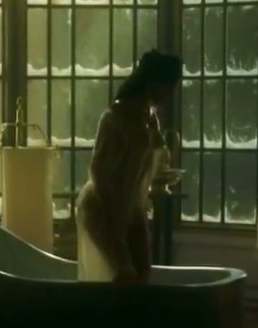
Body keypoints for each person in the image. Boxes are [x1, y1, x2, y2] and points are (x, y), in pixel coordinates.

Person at [75, 49, 182, 283]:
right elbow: (99, 171)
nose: (169, 93)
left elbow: (150, 159)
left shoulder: (148, 116)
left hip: (131, 208)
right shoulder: (115, 118)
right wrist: (115, 215)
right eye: (168, 87)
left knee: (142, 273)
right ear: (154, 83)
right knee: (125, 275)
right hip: (103, 206)